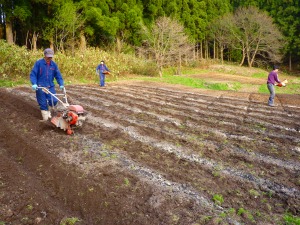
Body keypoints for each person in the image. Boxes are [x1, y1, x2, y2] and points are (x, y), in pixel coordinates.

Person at [30, 48, 64, 121]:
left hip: (50, 86)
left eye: (51, 57)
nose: (49, 58)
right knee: (43, 103)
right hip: (40, 86)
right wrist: (34, 84)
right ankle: (45, 119)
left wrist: (61, 84)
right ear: (44, 55)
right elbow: (33, 74)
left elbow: (58, 75)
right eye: (48, 56)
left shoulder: (53, 65)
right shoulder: (39, 63)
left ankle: (49, 111)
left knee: (54, 101)